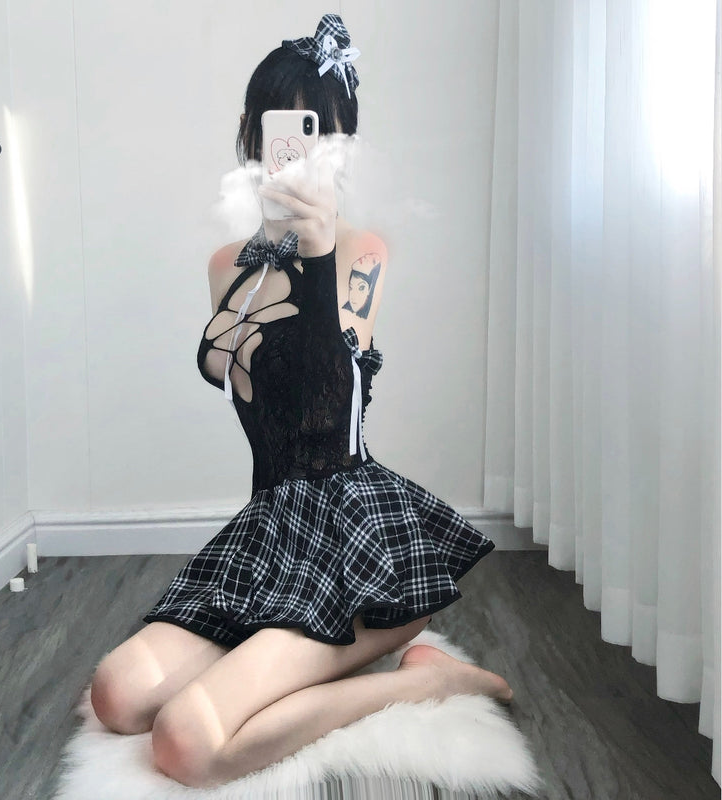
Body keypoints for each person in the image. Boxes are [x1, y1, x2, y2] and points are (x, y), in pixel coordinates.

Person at [90, 14, 513, 790]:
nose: (301, 150)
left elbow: (334, 396)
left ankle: (423, 681)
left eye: (321, 131)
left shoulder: (361, 253)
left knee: (186, 742)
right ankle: (278, 668)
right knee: (116, 695)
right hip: (269, 531)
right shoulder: (227, 265)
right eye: (284, 128)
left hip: (360, 547)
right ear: (251, 133)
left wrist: (317, 260)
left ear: (343, 143)